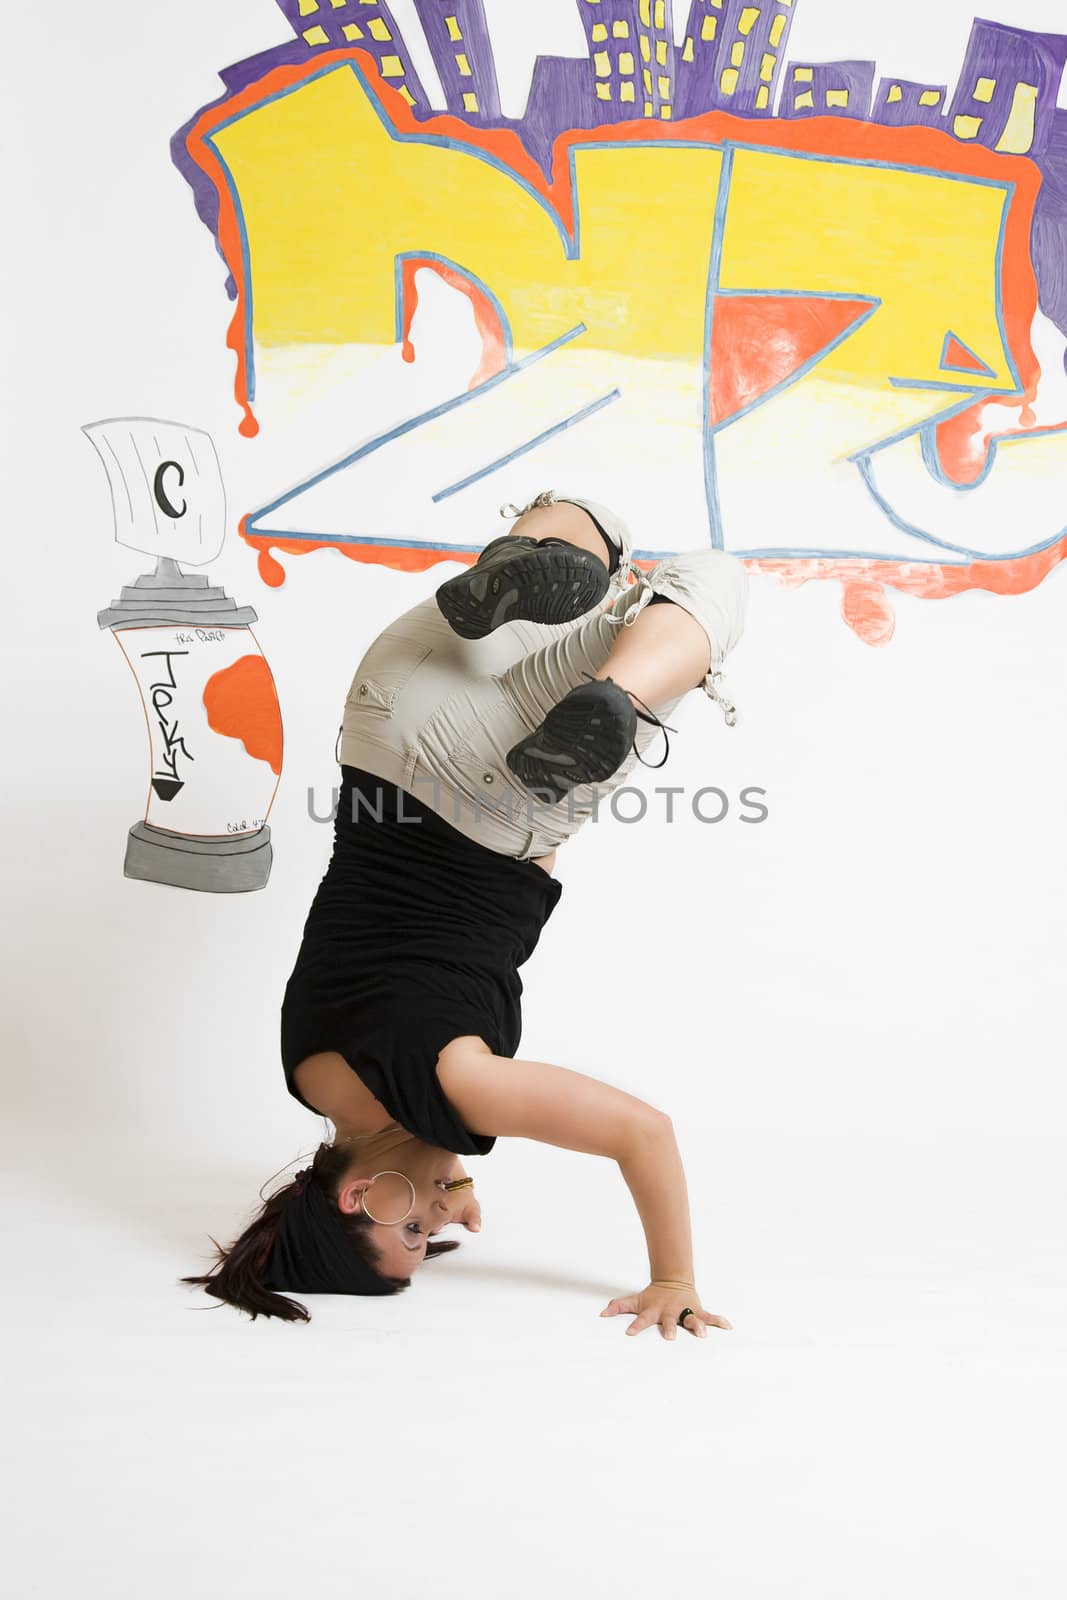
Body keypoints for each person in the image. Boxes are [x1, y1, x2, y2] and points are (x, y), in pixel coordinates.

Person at [184, 491, 748, 1340]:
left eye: (409, 1228)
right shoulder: (310, 1071)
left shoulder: (459, 1087)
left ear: (356, 1195)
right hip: (387, 715)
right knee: (589, 531)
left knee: (708, 582)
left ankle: (619, 696)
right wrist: (442, 1180)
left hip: (497, 791)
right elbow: (396, 1046)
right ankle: (520, 565)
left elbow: (643, 1132)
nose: (439, 1224)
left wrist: (672, 1277)